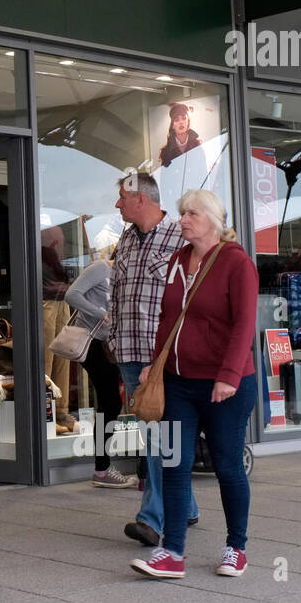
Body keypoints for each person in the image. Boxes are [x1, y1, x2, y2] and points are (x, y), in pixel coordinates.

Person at [130, 189, 258, 579]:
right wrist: (155, 364)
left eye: (191, 214)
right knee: (174, 463)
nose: (183, 219)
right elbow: (167, 319)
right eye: (182, 213)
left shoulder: (237, 264)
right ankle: (172, 553)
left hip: (226, 387)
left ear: (213, 221)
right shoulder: (176, 261)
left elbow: (244, 326)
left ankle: (236, 547)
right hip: (179, 384)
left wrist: (229, 376)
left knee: (227, 466)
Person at [108, 172, 198, 546]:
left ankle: (152, 518)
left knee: (160, 439)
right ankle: (186, 507)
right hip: (129, 353)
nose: (117, 205)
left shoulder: (181, 236)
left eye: (122, 199)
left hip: (162, 357)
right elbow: (116, 294)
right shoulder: (127, 238)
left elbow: (193, 296)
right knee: (157, 438)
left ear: (141, 199)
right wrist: (113, 340)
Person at [64, 257, 134, 489]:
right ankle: (102, 469)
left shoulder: (125, 275)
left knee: (111, 402)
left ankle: (102, 468)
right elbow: (72, 294)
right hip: (91, 342)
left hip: (108, 344)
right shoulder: (101, 268)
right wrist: (101, 313)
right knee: (111, 402)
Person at [41, 226, 76, 431]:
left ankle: (60, 412)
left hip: (60, 297)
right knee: (45, 359)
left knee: (62, 356)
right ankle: (46, 414)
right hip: (45, 297)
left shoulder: (57, 229)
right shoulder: (36, 224)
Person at [158, 103, 201, 168]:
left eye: (184, 118)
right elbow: (164, 177)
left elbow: (203, 173)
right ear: (173, 125)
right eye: (177, 120)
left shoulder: (197, 147)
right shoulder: (166, 152)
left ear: (188, 122)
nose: (181, 122)